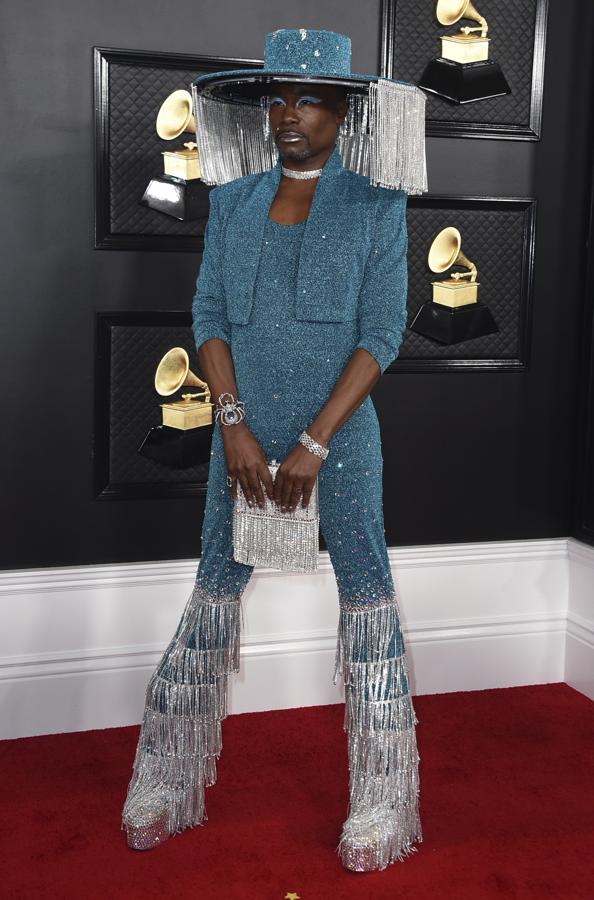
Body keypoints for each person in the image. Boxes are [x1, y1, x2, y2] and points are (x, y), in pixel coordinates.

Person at [121, 28, 428, 873]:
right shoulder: (234, 199)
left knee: (367, 597)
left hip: (340, 440)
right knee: (213, 591)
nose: (288, 116)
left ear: (342, 112)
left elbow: (381, 337)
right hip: (241, 443)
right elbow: (209, 318)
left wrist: (316, 443)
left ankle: (381, 795)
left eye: (309, 100)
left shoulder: (376, 203)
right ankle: (168, 775)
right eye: (278, 101)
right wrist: (233, 428)